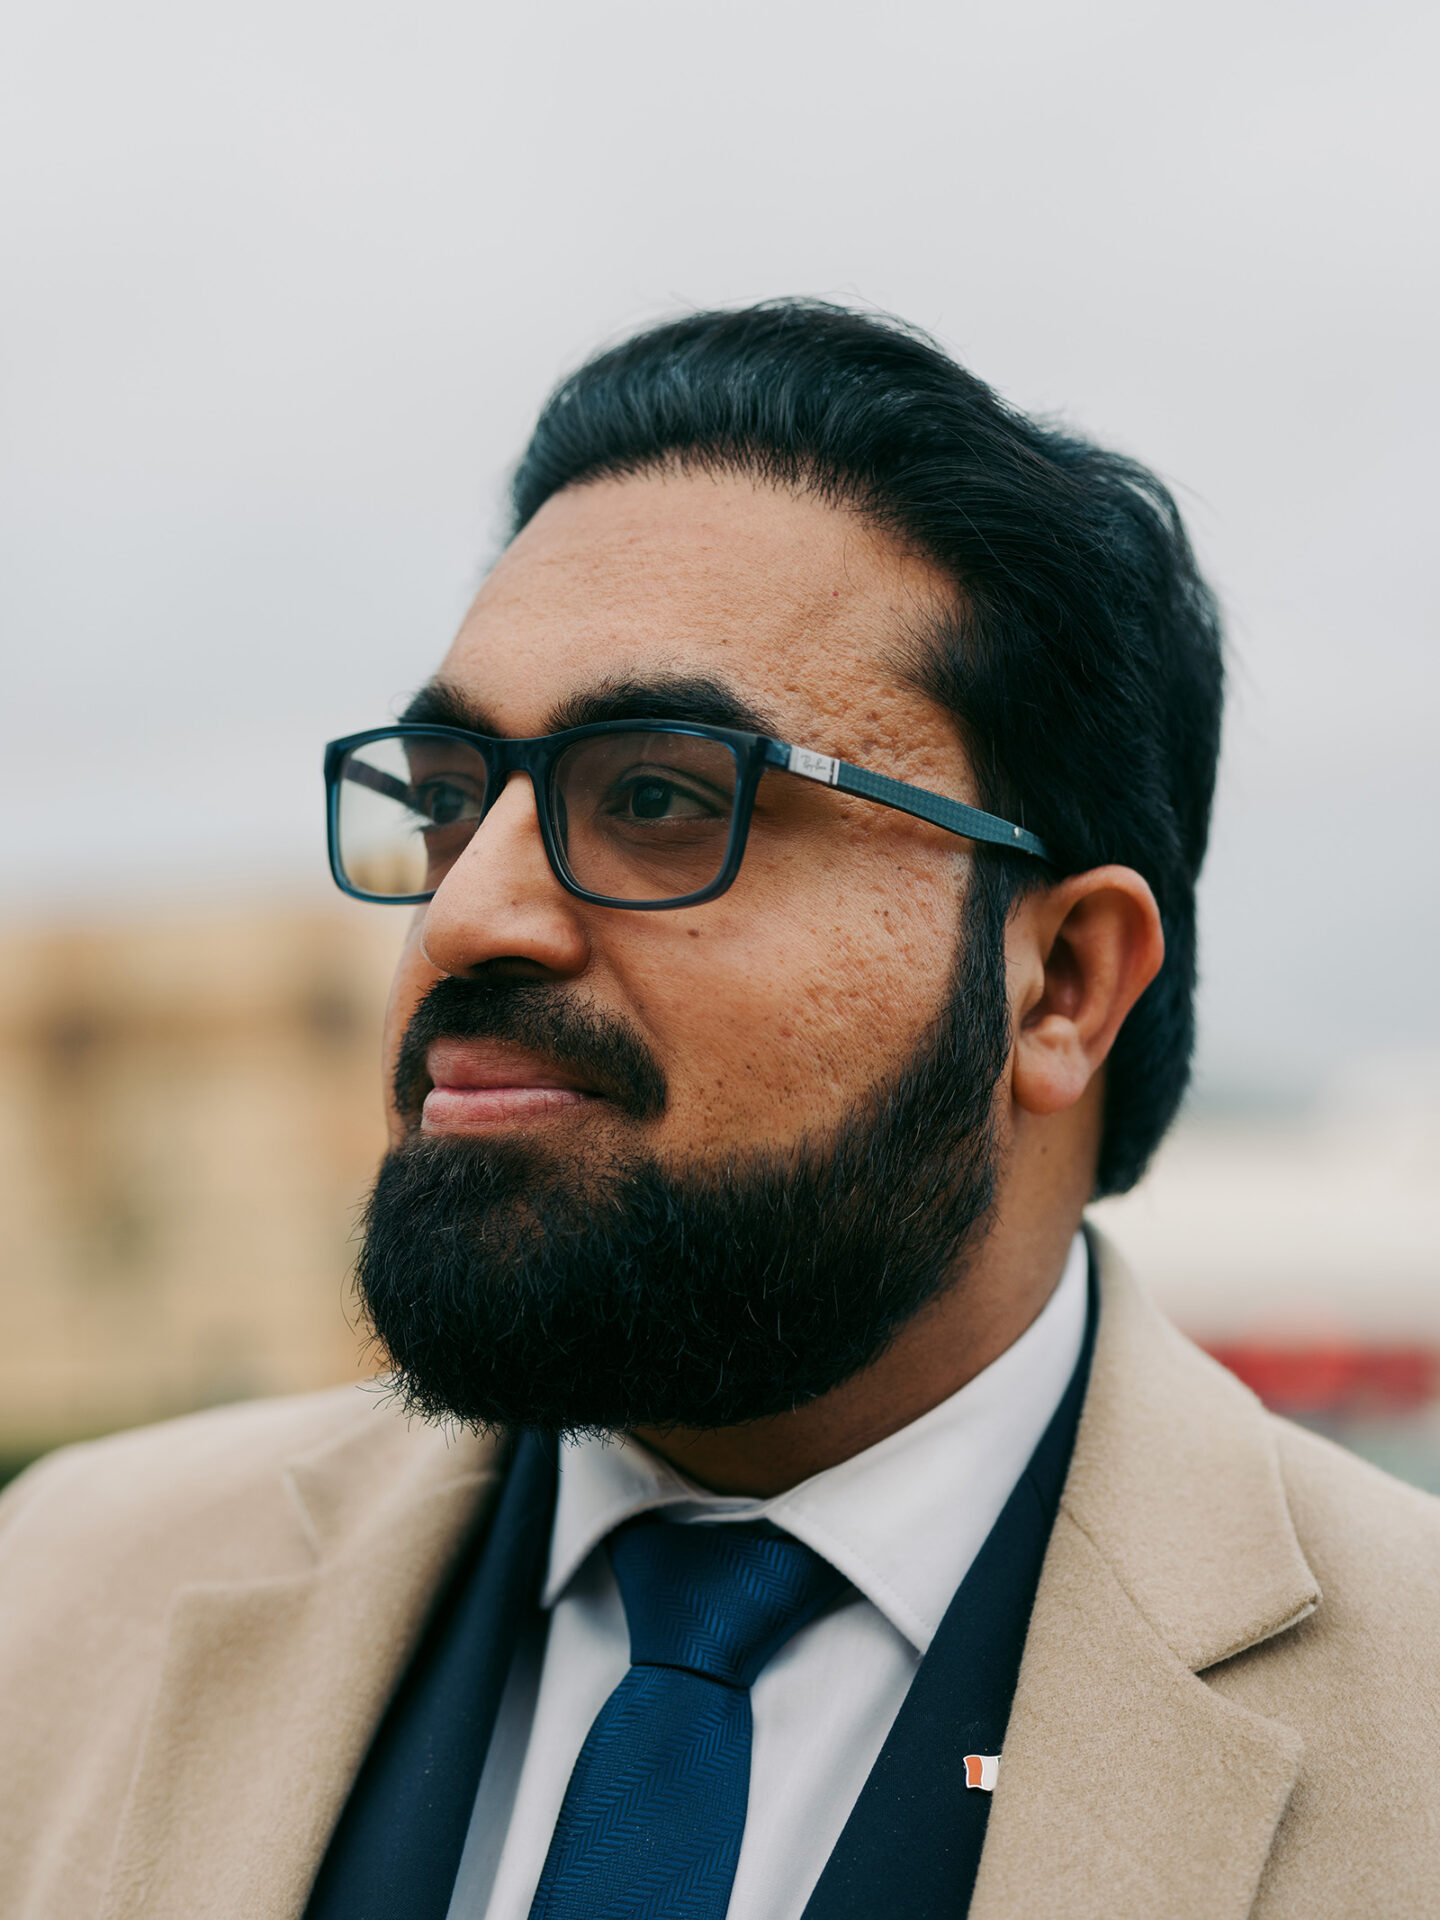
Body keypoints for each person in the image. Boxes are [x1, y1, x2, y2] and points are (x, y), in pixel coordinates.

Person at [2, 302, 1436, 1920]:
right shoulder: (62, 1599)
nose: (470, 918)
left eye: (668, 797)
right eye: (454, 798)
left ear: (1061, 984)